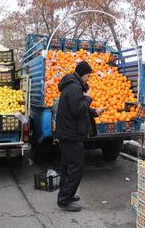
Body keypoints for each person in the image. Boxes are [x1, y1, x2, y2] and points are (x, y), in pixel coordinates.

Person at [55, 61, 104, 212]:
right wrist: (88, 98)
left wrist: (94, 112)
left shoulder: (71, 86)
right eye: (88, 75)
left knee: (68, 165)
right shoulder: (75, 88)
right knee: (76, 166)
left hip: (67, 133)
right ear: (82, 74)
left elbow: (76, 109)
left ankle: (66, 194)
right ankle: (64, 200)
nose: (89, 78)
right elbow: (77, 110)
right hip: (71, 134)